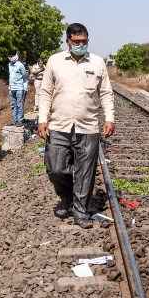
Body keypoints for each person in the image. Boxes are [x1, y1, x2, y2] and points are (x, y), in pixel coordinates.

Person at [38, 23, 115, 229]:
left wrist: (109, 118)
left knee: (85, 171)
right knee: (55, 168)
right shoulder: (55, 61)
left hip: (88, 126)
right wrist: (42, 119)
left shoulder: (98, 62)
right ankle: (67, 197)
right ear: (68, 41)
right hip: (59, 124)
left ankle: (80, 211)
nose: (80, 45)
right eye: (76, 42)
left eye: (84, 41)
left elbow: (106, 93)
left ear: (88, 40)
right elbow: (45, 92)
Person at [8, 51, 28, 126]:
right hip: (11, 88)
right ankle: (14, 120)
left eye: (11, 56)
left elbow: (25, 77)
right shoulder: (9, 65)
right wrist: (9, 87)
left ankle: (20, 120)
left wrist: (25, 88)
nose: (10, 58)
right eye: (9, 56)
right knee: (13, 105)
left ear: (15, 56)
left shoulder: (20, 65)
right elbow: (10, 76)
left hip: (19, 87)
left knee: (19, 104)